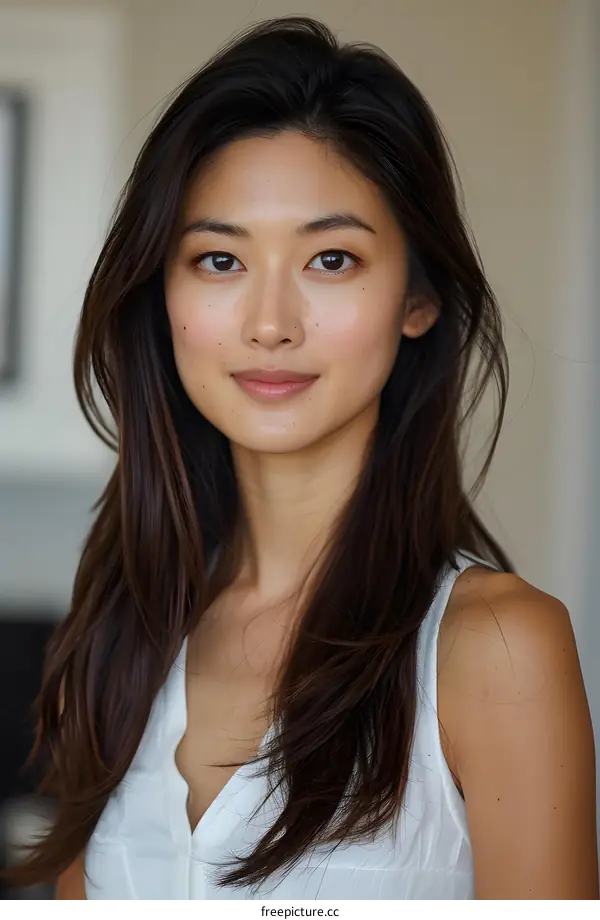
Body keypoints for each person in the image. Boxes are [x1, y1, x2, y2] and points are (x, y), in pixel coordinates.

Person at [3, 15, 597, 901]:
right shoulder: (120, 628)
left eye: (330, 258)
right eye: (217, 259)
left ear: (418, 298)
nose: (270, 322)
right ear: (162, 298)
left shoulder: (496, 649)